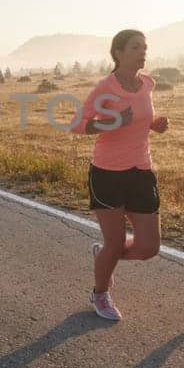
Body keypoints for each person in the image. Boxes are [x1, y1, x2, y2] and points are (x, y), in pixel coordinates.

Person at [68, 29, 169, 321]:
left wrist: (154, 124)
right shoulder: (105, 88)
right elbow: (77, 124)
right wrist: (111, 122)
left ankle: (105, 256)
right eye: (136, 47)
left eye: (145, 47)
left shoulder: (147, 84)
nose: (143, 52)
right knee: (115, 243)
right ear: (118, 53)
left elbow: (141, 118)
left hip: (141, 171)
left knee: (149, 247)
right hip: (108, 173)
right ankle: (100, 293)